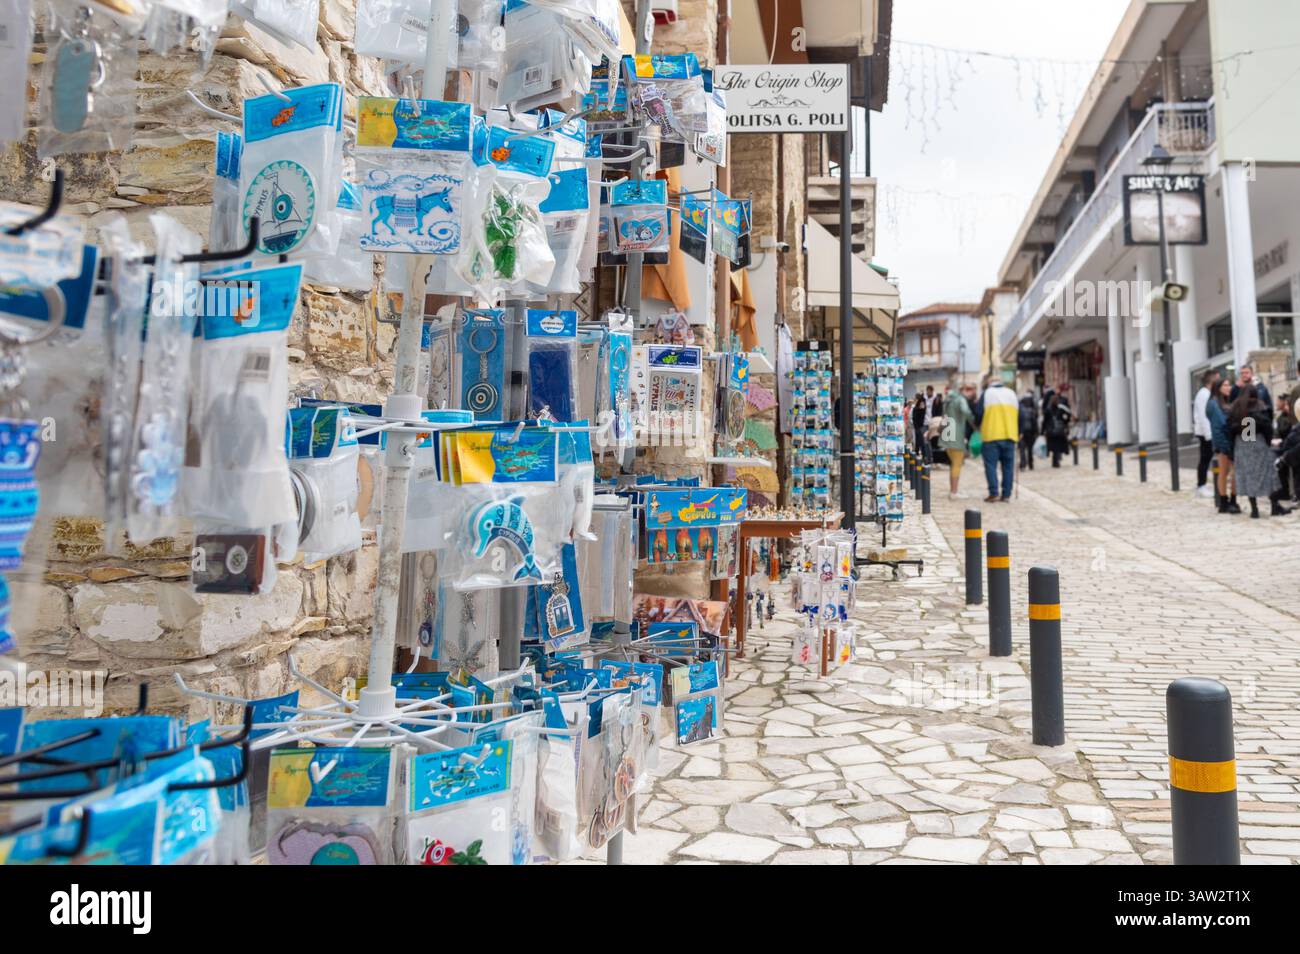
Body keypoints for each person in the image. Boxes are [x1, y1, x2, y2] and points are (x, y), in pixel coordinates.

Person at [1228, 385, 1289, 518]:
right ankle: (1274, 506)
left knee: (1249, 477)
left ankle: (1254, 509)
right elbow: (1267, 427)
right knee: (1269, 475)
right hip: (1258, 443)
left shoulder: (1235, 408)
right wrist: (1268, 442)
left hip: (1242, 445)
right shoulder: (1260, 406)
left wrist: (1233, 447)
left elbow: (1230, 428)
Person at [974, 375, 1019, 502]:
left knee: (990, 466)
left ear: (989, 383)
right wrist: (1019, 432)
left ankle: (994, 493)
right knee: (1008, 467)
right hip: (1010, 435)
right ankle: (1006, 494)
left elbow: (978, 413)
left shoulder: (987, 394)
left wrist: (977, 426)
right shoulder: (1012, 394)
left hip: (991, 435)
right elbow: (1021, 415)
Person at [1206, 377, 1238, 513]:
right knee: (1225, 472)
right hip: (1223, 443)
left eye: (1229, 385)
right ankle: (1225, 502)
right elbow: (1218, 427)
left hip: (1229, 442)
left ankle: (1231, 501)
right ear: (1218, 387)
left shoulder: (1225, 402)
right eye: (1225, 385)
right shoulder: (1213, 403)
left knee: (1232, 473)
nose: (1228, 387)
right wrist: (1224, 447)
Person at [940, 384, 975, 498]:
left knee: (953, 463)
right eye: (970, 390)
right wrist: (974, 423)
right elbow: (966, 411)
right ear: (963, 390)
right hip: (956, 434)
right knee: (957, 464)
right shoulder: (960, 399)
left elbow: (943, 417)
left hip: (947, 434)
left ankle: (952, 490)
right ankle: (954, 492)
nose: (971, 393)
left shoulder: (947, 400)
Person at [1192, 369, 1219, 498]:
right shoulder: (1204, 394)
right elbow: (1204, 416)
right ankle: (1201, 485)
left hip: (1207, 432)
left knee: (1206, 458)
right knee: (1205, 459)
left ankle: (1202, 485)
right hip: (1205, 433)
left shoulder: (1208, 393)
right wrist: (1209, 435)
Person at [1043, 390, 1073, 467]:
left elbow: (1045, 421)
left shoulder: (1047, 410)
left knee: (1053, 447)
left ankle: (1055, 461)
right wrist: (1065, 422)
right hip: (1059, 430)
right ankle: (1056, 460)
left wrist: (1043, 431)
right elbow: (1068, 416)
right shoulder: (1061, 409)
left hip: (1050, 431)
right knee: (1057, 446)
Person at [1017, 392, 1039, 470]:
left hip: (1021, 432)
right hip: (1030, 432)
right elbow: (1035, 422)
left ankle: (1023, 464)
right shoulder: (1032, 411)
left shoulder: (1019, 410)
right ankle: (1030, 463)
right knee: (1030, 449)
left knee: (1022, 449)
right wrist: (1036, 432)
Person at [910, 394, 929, 462]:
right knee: (919, 443)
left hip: (921, 427)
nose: (922, 405)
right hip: (917, 427)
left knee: (921, 443)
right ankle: (919, 456)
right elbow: (914, 418)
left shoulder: (922, 408)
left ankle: (923, 457)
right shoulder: (915, 408)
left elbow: (922, 413)